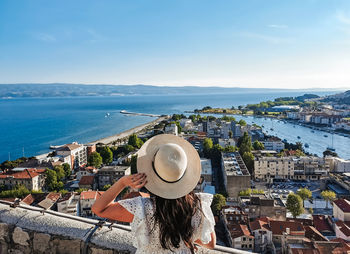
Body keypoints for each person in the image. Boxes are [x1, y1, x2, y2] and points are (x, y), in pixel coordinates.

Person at [92, 134, 216, 253]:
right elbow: (210, 244)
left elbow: (99, 209)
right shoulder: (198, 206)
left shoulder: (144, 209)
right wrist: (185, 236)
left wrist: (122, 182)